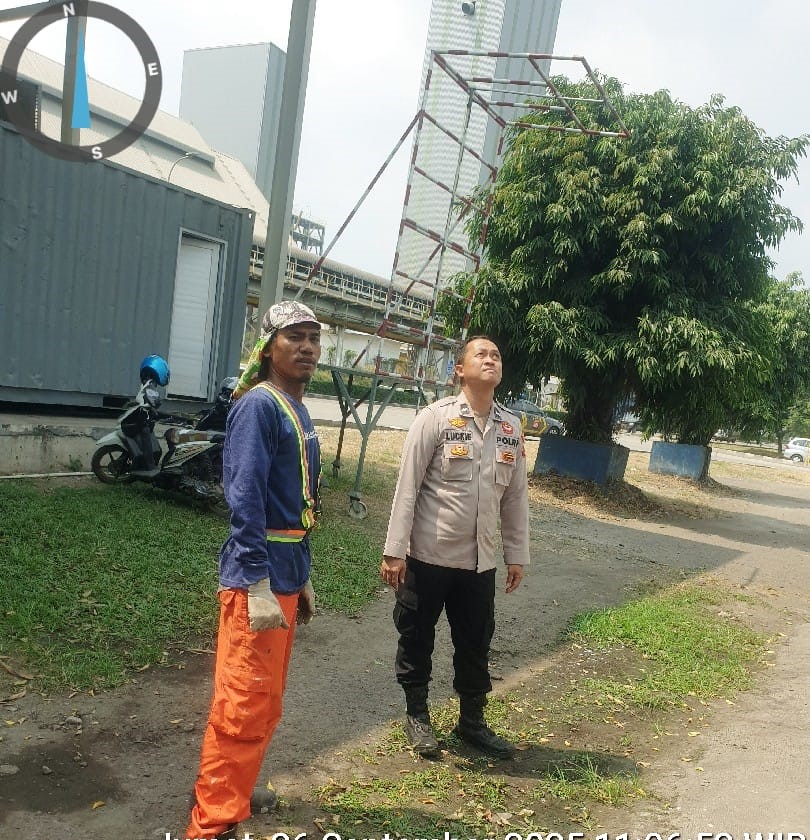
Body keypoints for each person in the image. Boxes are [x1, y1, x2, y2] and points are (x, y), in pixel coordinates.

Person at [185, 300, 322, 840]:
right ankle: (213, 823)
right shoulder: (259, 407)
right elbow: (244, 500)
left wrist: (301, 575)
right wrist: (259, 583)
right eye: (294, 337)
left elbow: (295, 501)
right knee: (241, 705)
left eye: (313, 337)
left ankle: (236, 792)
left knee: (266, 702)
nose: (307, 347)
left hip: (284, 571)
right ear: (267, 348)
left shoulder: (295, 407)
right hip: (256, 580)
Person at [380, 336, 529, 759]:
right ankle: (417, 716)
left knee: (475, 642)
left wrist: (516, 555)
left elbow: (515, 497)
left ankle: (472, 723)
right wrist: (395, 550)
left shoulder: (510, 428)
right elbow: (407, 486)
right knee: (416, 637)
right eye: (481, 354)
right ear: (459, 370)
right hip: (428, 556)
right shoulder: (434, 418)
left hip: (479, 562)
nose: (491, 359)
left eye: (496, 355)